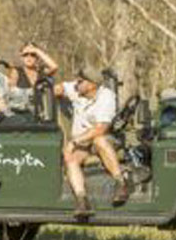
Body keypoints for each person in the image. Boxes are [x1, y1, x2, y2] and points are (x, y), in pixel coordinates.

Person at [55, 65, 129, 217]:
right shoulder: (76, 90)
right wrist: (56, 90)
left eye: (80, 81)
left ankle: (121, 182)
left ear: (91, 84)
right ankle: (82, 201)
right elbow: (60, 88)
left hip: (103, 137)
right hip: (82, 142)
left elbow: (100, 129)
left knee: (99, 140)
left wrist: (74, 142)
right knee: (70, 158)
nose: (76, 83)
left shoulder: (106, 96)